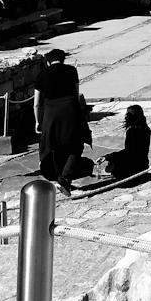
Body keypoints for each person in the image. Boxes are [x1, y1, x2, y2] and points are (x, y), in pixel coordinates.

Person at [35, 47, 90, 197]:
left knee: (55, 145)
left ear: (48, 61)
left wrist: (37, 121)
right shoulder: (72, 71)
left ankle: (61, 177)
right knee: (76, 145)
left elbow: (37, 103)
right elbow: (76, 93)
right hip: (70, 110)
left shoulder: (41, 74)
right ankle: (64, 178)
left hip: (51, 114)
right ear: (63, 59)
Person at [102, 105, 151, 182]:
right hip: (143, 165)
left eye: (127, 114)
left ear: (133, 116)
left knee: (112, 164)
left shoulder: (133, 131)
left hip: (134, 168)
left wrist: (108, 157)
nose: (125, 117)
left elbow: (129, 152)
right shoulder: (145, 129)